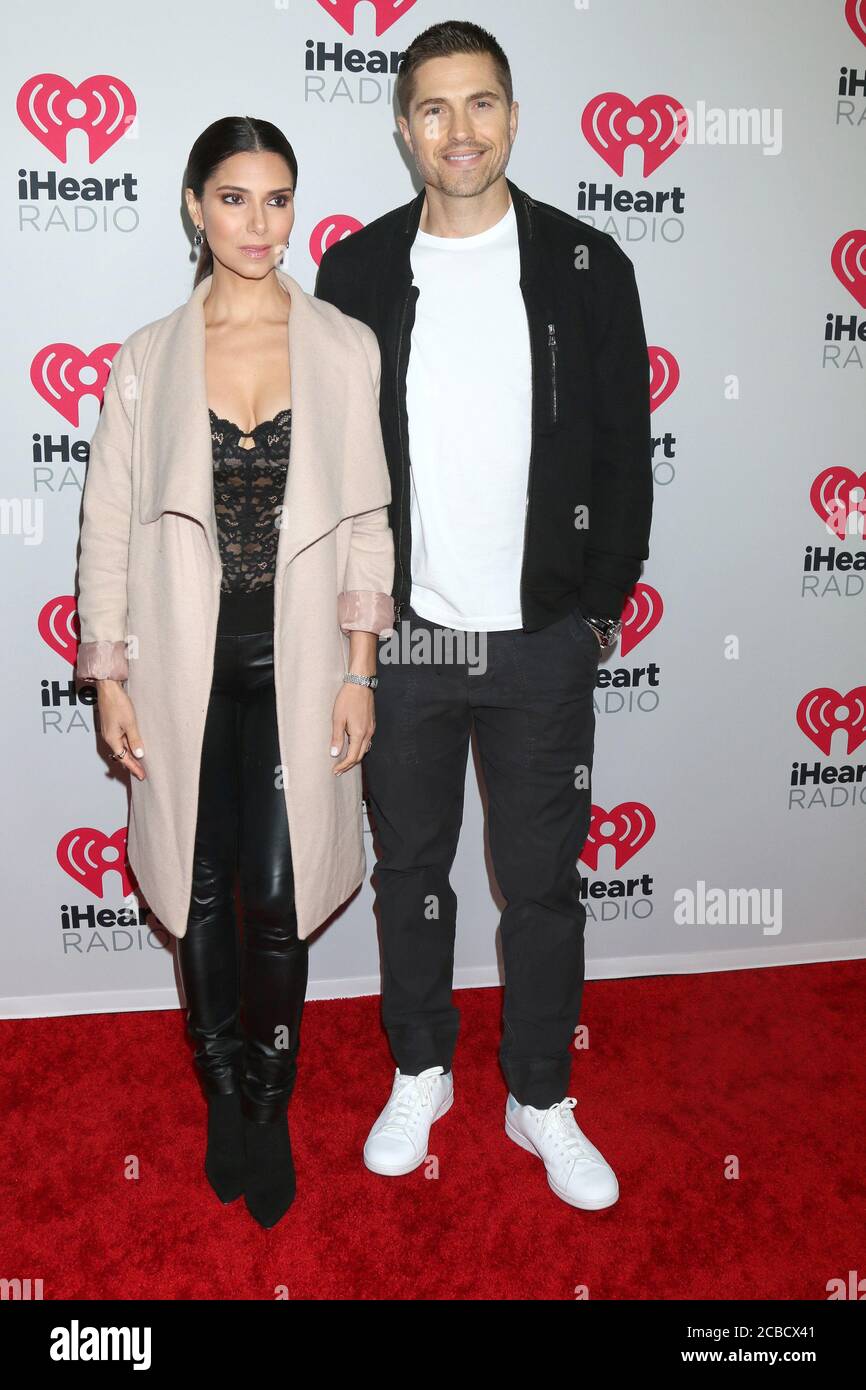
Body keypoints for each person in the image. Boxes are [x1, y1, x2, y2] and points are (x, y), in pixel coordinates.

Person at [314, 22, 653, 1210]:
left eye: (481, 105)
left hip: (538, 638)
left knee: (542, 884)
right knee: (410, 865)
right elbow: (333, 469)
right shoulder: (355, 271)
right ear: (401, 127)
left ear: (513, 116)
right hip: (407, 640)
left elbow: (622, 454)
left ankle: (538, 1094)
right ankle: (421, 1069)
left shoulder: (584, 263)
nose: (458, 131)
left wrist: (594, 612)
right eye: (433, 109)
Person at [74, 117, 395, 1229]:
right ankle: (223, 1096)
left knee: (278, 897)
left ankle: (271, 1095)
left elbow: (365, 522)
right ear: (192, 206)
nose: (256, 224)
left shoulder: (343, 344)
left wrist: (360, 669)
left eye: (275, 199)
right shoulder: (146, 355)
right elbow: (108, 522)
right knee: (201, 892)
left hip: (297, 665)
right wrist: (108, 674)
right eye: (232, 198)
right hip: (176, 668)